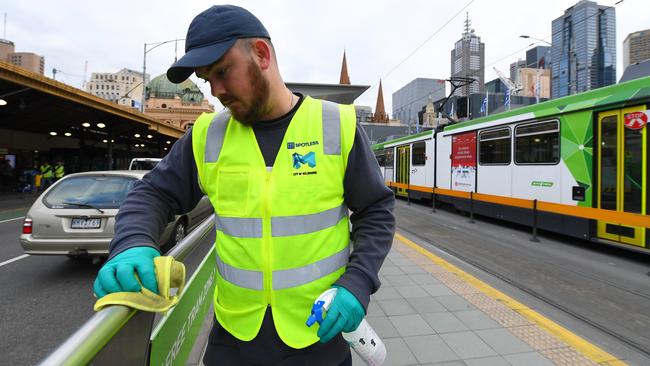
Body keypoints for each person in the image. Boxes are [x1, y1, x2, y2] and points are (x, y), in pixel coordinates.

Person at [93, 5, 394, 366]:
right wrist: (132, 243)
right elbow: (152, 193)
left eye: (222, 71)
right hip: (233, 343)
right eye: (207, 79)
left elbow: (375, 210)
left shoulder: (337, 125)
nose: (216, 89)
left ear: (262, 54)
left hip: (319, 337)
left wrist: (357, 284)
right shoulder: (206, 136)